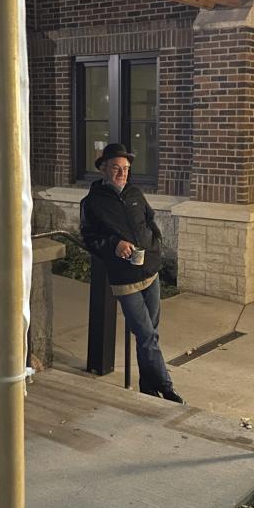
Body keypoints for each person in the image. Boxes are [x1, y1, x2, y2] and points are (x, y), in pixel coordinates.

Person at [80, 143, 184, 403]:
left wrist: (155, 247)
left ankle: (147, 387)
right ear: (104, 168)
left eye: (125, 169)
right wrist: (114, 245)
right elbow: (89, 239)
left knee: (150, 334)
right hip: (125, 280)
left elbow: (150, 221)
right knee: (146, 333)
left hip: (150, 271)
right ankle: (166, 387)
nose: (121, 173)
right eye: (116, 168)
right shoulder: (92, 202)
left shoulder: (135, 193)